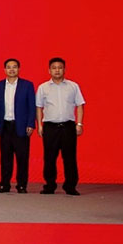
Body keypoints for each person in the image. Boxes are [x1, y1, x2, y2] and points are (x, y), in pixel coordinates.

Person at [36, 57, 85, 195]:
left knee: (69, 157)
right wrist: (39, 125)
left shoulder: (73, 86)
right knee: (49, 158)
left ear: (64, 69)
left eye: (60, 68)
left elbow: (80, 105)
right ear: (49, 70)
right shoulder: (43, 87)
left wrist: (79, 124)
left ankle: (70, 186)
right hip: (50, 126)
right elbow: (39, 107)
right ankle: (49, 185)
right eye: (54, 68)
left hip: (68, 126)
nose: (57, 70)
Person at [0, 58, 36, 194]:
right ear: (4, 70)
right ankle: (4, 184)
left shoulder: (27, 85)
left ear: (19, 69)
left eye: (14, 67)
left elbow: (32, 106)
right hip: (5, 126)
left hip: (21, 126)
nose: (12, 69)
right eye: (9, 67)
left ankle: (21, 185)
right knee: (5, 158)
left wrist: (30, 124)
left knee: (22, 158)